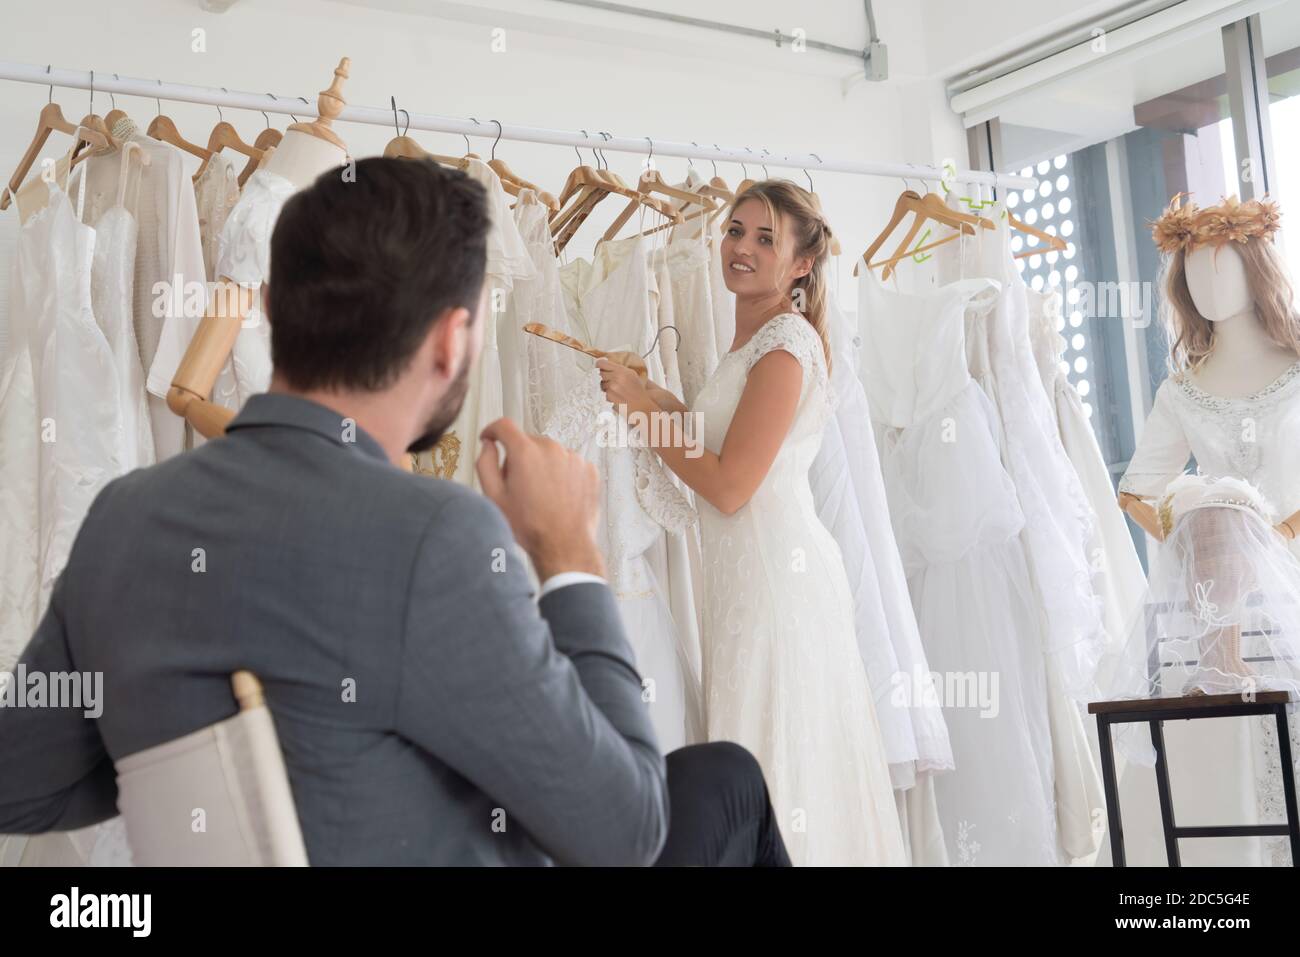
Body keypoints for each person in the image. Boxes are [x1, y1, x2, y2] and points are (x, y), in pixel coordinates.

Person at [0, 157, 788, 867]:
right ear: (450, 344)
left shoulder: (123, 517)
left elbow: (20, 785)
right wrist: (572, 558)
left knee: (719, 776)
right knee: (730, 781)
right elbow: (626, 832)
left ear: (272, 309)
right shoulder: (436, 536)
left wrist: (223, 757)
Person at [598, 180, 906, 865]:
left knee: (775, 760)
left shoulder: (785, 347)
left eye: (765, 238)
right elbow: (713, 440)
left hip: (776, 586)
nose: (740, 247)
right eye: (736, 230)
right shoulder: (753, 342)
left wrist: (642, 411)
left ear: (800, 263)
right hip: (744, 583)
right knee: (756, 754)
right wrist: (646, 389)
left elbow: (731, 484)